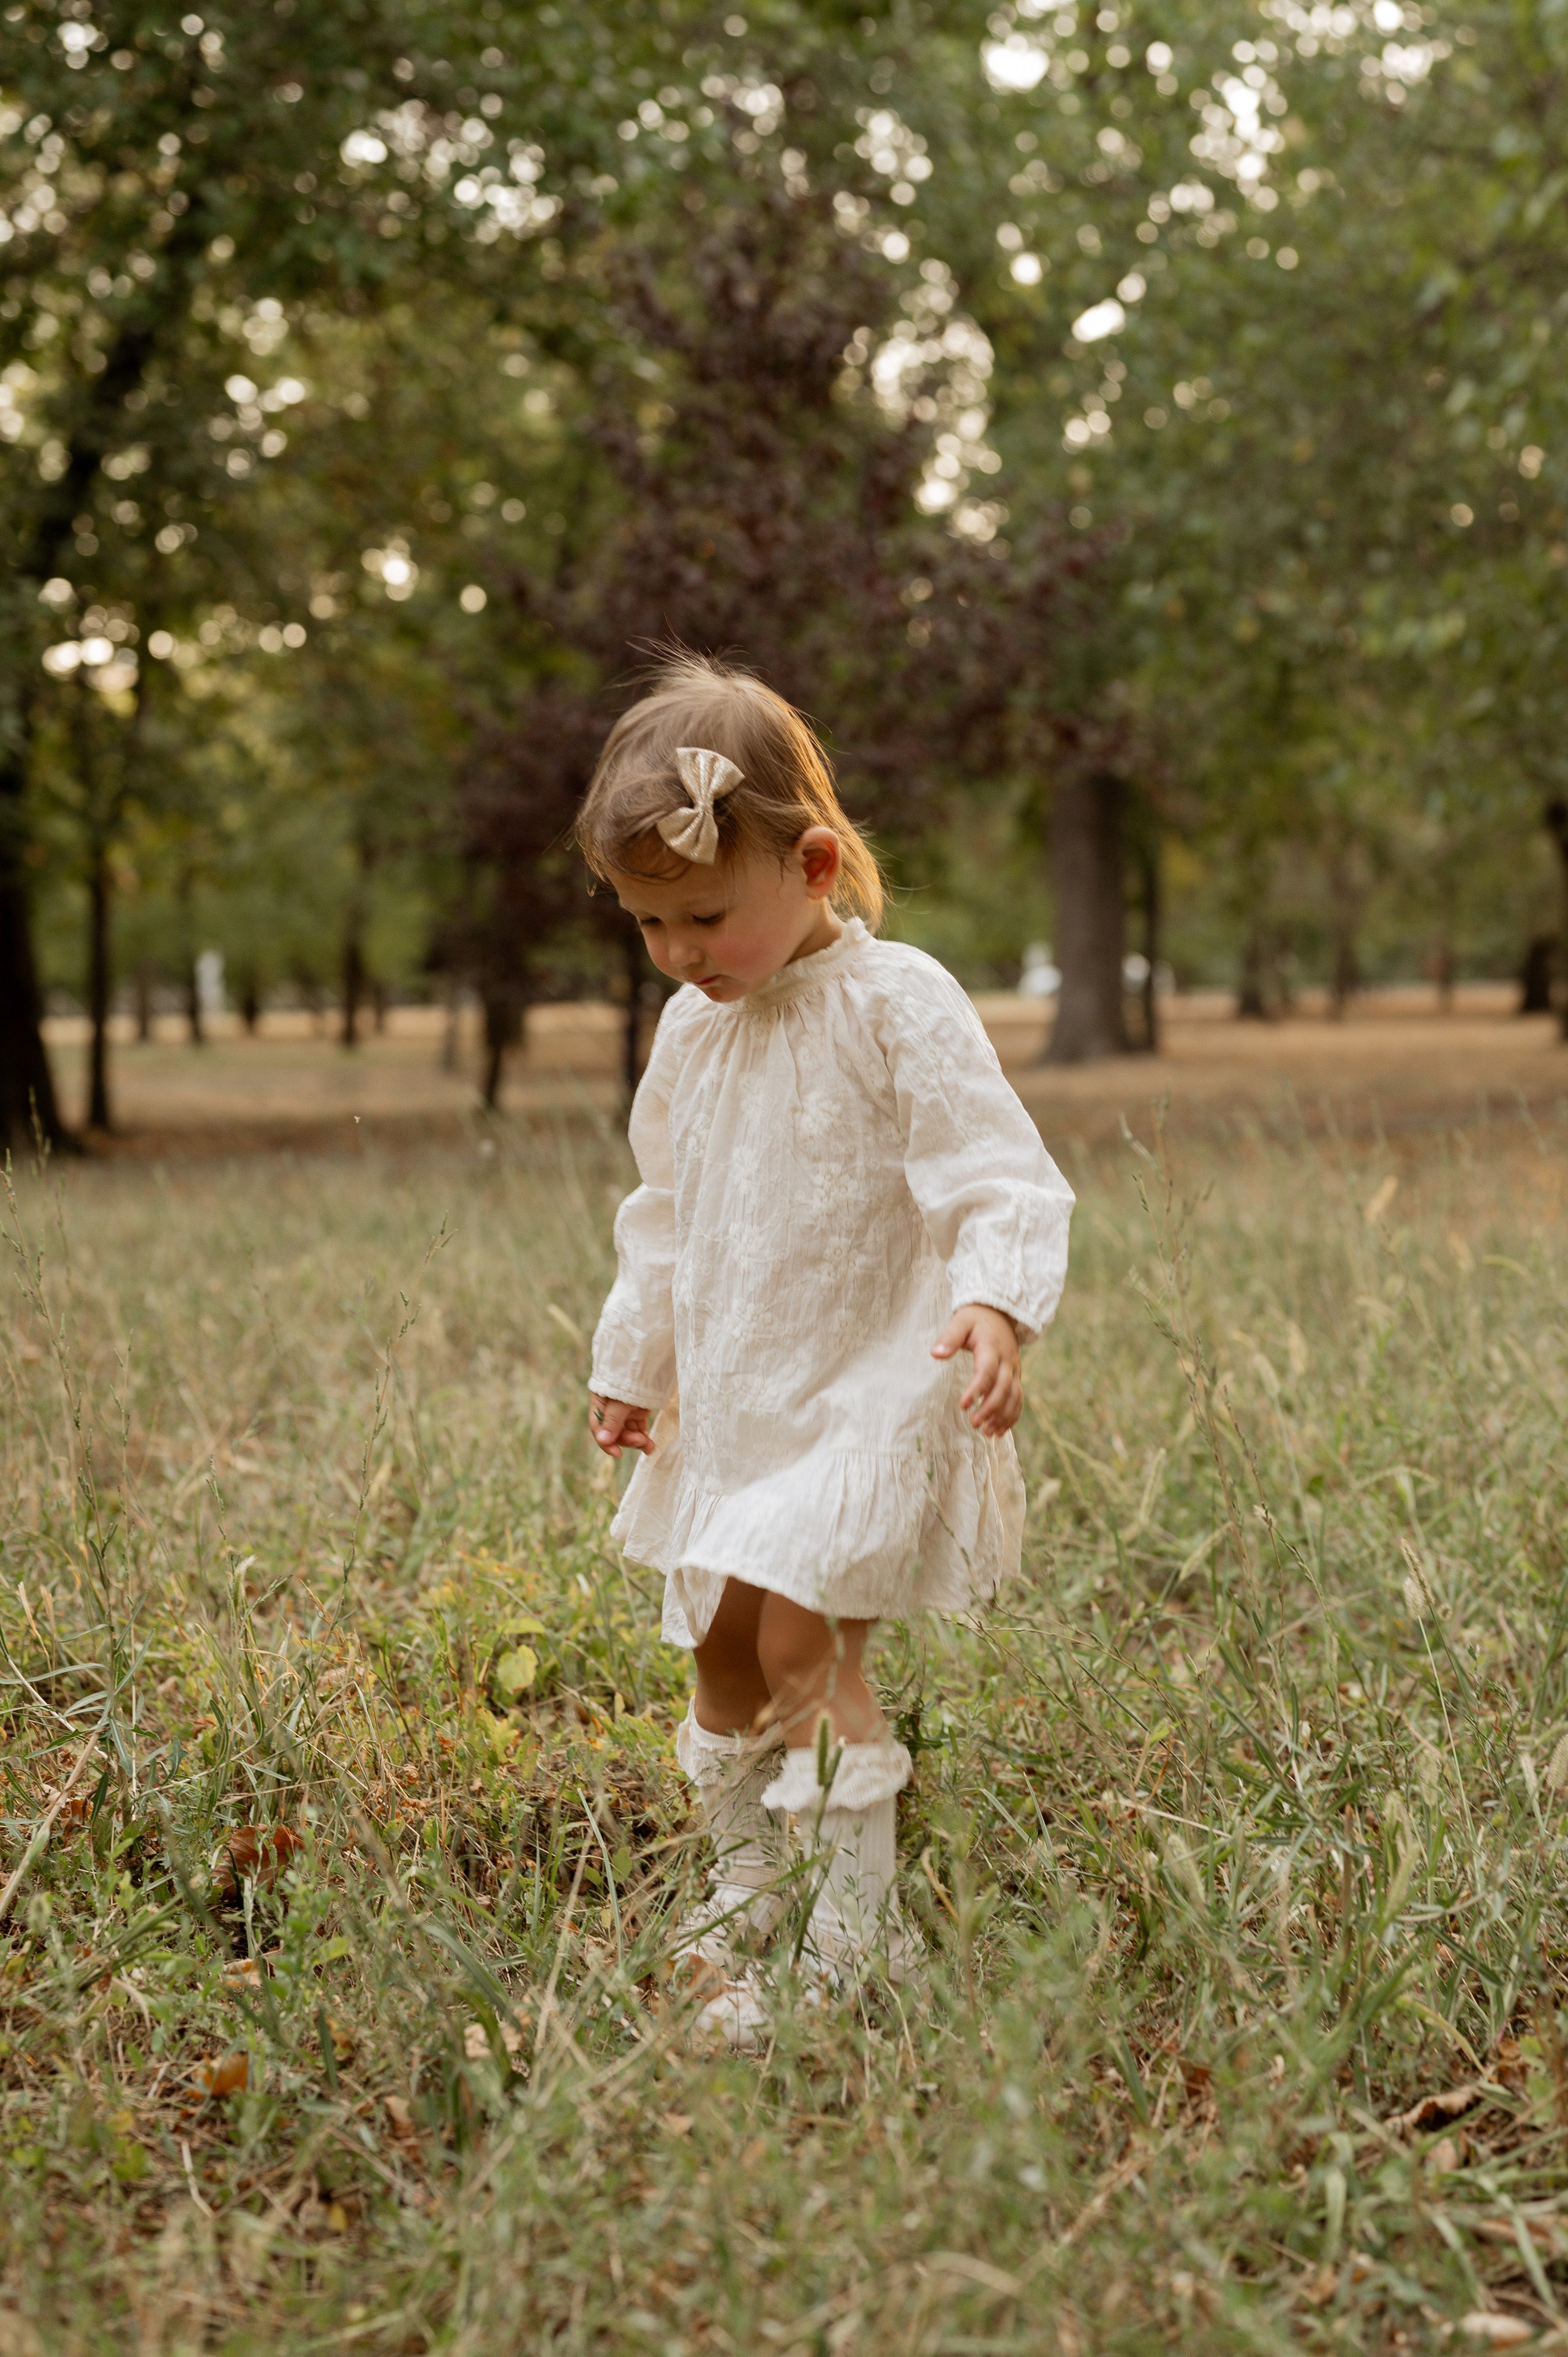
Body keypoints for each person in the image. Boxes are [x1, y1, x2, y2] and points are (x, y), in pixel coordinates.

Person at [577, 652, 1074, 2048]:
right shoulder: (688, 1031)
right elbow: (663, 1212)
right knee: (724, 1652)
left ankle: (850, 1938)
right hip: (743, 1393)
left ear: (810, 861)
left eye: (703, 916)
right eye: (647, 923)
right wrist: (637, 1357)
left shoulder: (893, 999)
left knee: (805, 1640)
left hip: (866, 1381)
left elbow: (992, 1167)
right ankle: (746, 1885)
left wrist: (995, 1299)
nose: (677, 952)